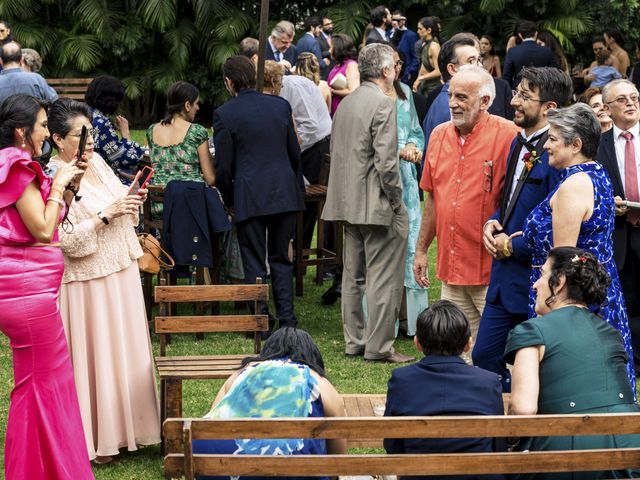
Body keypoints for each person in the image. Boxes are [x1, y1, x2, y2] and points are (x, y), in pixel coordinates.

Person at [47, 98, 161, 462]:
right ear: (57, 139)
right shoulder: (53, 176)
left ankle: (133, 431)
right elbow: (62, 238)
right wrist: (104, 216)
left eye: (92, 132)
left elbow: (117, 204)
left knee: (124, 352)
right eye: (81, 135)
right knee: (97, 358)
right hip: (87, 282)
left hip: (121, 269)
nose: (90, 141)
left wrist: (131, 201)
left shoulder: (95, 162)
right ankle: (97, 439)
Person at [0, 94, 94, 478]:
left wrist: (69, 185)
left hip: (28, 293)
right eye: (41, 126)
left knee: (40, 387)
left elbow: (47, 220)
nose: (45, 132)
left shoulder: (14, 165)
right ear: (23, 132)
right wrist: (56, 184)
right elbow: (41, 230)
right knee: (43, 389)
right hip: (26, 296)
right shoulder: (18, 166)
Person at [520, 102, 635, 391]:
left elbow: (564, 264)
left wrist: (554, 319)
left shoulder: (574, 186)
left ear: (576, 145)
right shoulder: (596, 173)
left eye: (554, 139)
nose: (546, 145)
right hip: (598, 290)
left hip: (573, 302)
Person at [505, 247, 640, 479]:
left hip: (568, 449)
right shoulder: (611, 333)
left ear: (559, 283)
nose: (535, 284)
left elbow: (524, 409)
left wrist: (511, 440)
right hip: (631, 443)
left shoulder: (531, 330)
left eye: (543, 275)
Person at [474, 67, 570, 391]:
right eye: (516, 93)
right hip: (503, 279)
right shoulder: (520, 144)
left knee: (538, 370)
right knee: (485, 355)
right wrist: (493, 221)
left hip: (535, 281)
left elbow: (559, 224)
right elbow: (510, 199)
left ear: (550, 108)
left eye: (524, 96)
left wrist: (511, 246)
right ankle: (500, 428)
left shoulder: (557, 155)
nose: (514, 101)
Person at [414, 65, 519, 348]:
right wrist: (422, 249)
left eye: (462, 97)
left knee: (496, 352)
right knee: (452, 349)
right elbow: (433, 198)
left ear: (485, 102)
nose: (452, 103)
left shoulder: (509, 136)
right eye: (451, 95)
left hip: (491, 271)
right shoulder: (438, 135)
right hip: (452, 268)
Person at [323, 43, 413, 364]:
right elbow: (387, 164)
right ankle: (379, 347)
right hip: (376, 205)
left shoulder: (345, 104)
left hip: (347, 204)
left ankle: (354, 341)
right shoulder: (382, 104)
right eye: (395, 66)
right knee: (383, 278)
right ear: (386, 71)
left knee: (353, 276)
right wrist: (397, 202)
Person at [214, 56, 304, 333]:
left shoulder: (225, 114)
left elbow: (224, 166)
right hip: (283, 192)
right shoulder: (279, 106)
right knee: (281, 257)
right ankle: (287, 319)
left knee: (253, 259)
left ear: (229, 82)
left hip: (250, 193)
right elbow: (294, 152)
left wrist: (229, 200)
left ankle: (260, 321)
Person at [192, 327, 347, 480]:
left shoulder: (241, 374)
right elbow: (338, 462)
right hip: (289, 470)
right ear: (312, 356)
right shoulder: (320, 383)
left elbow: (210, 425)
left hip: (212, 464)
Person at [384, 301, 505, 480]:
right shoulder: (488, 381)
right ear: (468, 344)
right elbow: (498, 445)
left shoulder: (402, 380)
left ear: (417, 342)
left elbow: (393, 445)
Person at [598, 79, 640, 379]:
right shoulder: (598, 145)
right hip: (619, 235)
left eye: (635, 97)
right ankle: (633, 361)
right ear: (608, 109)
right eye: (622, 99)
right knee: (628, 299)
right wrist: (606, 202)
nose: (630, 103)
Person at [388, 48, 428, 336]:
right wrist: (398, 150)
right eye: (393, 63)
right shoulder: (370, 96)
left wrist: (414, 147)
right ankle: (385, 319)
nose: (398, 68)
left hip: (407, 180)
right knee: (386, 248)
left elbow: (416, 130)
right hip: (383, 177)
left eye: (400, 63)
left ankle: (413, 321)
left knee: (413, 244)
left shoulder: (404, 91)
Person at [146, 80, 214, 186]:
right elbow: (210, 179)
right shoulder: (197, 132)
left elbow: (160, 171)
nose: (198, 108)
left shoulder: (152, 131)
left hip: (161, 201)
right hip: (189, 200)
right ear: (187, 105)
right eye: (196, 103)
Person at [85, 75, 144, 178]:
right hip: (99, 177)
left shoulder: (84, 113)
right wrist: (125, 133)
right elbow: (127, 159)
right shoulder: (101, 123)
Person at [502, 20, 557, 88]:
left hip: (519, 91)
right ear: (536, 34)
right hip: (541, 92)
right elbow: (554, 74)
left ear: (520, 35)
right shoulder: (547, 51)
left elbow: (506, 75)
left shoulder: (512, 52)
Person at [326, 33, 360, 117]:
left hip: (345, 113)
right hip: (335, 111)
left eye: (331, 47)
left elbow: (353, 91)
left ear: (338, 48)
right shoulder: (338, 65)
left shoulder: (351, 65)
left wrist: (333, 91)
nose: (329, 51)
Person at [412, 17, 441, 95]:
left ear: (429, 30)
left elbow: (439, 71)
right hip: (425, 85)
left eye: (420, 29)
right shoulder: (425, 44)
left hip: (433, 88)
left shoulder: (434, 46)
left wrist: (422, 78)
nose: (418, 31)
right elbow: (423, 65)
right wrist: (418, 80)